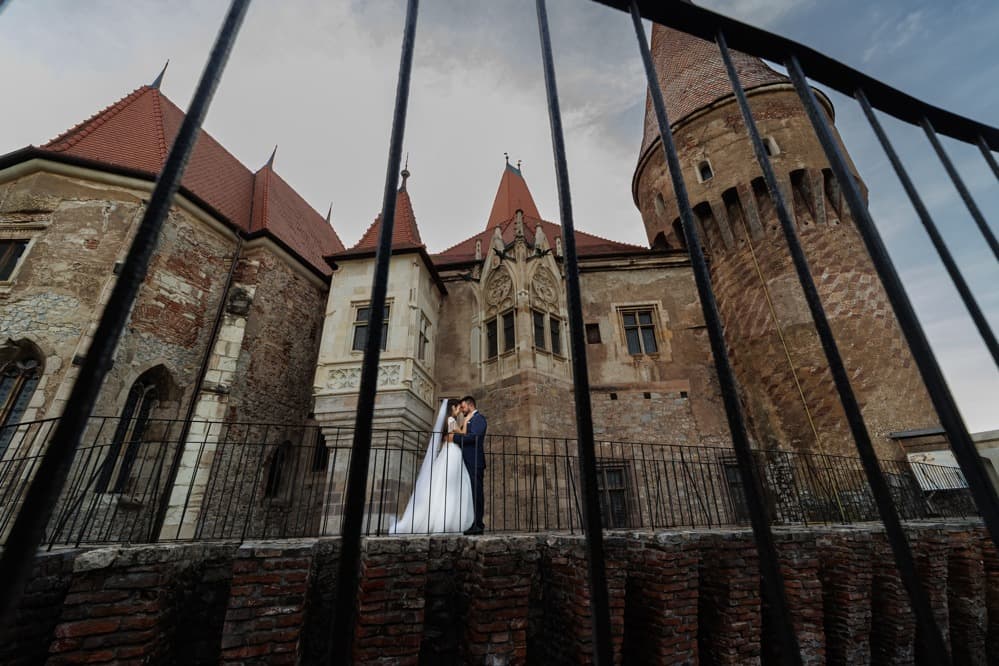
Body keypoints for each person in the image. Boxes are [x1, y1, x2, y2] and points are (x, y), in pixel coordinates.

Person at [389, 398, 474, 534]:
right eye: (458, 408)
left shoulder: (448, 421)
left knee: (444, 486)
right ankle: (445, 521)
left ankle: (444, 519)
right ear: (452, 408)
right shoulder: (451, 420)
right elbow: (461, 434)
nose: (459, 411)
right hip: (451, 453)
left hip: (448, 452)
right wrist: (467, 419)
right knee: (450, 487)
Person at [450, 395, 486, 535]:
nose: (462, 409)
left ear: (470, 405)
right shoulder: (467, 420)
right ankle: (470, 522)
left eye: (463, 406)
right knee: (469, 494)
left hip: (474, 461)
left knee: (476, 493)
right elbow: (457, 430)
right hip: (465, 461)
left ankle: (478, 524)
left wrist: (455, 438)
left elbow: (474, 437)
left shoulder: (479, 419)